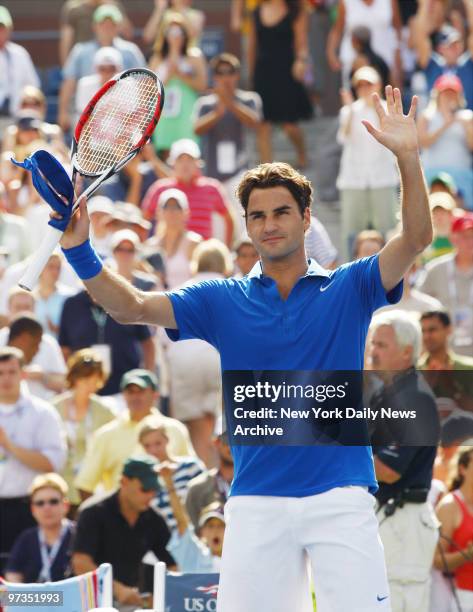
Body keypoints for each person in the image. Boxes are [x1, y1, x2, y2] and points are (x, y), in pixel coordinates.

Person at [56, 85, 432, 611]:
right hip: (256, 501)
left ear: (306, 217)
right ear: (247, 226)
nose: (269, 223)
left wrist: (408, 158)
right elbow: (134, 307)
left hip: (340, 495)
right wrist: (79, 252)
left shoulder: (351, 286)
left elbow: (415, 238)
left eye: (281, 212)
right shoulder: (219, 299)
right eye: (257, 216)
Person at [368, 310, 440, 612]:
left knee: (398, 602)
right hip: (390, 516)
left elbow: (388, 470)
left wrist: (335, 452)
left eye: (382, 345)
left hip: (405, 520)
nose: (373, 351)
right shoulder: (387, 395)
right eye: (373, 344)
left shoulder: (414, 398)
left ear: (407, 351)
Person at [72, 457, 175, 611]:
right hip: (88, 601)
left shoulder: (154, 519)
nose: (150, 496)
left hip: (130, 605)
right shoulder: (92, 512)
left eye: (154, 490)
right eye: (145, 489)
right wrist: (116, 589)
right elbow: (80, 563)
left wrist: (167, 596)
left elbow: (172, 566)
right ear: (124, 482)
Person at [75, 369, 194, 500]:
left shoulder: (176, 429)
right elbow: (85, 485)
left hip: (172, 513)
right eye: (130, 392)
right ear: (123, 395)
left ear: (155, 395)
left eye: (141, 391)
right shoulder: (105, 435)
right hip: (124, 517)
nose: (135, 397)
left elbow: (192, 474)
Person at [163, 239, 232, 465]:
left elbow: (163, 338)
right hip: (220, 358)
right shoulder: (235, 288)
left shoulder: (182, 290)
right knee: (223, 419)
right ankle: (222, 475)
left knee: (197, 425)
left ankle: (210, 474)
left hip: (185, 358)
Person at [0, 347, 66, 573]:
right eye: (0, 373)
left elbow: (52, 463)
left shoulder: (42, 413)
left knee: (23, 580)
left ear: (23, 374)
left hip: (28, 508)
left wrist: (10, 447)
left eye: (11, 372)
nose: (6, 378)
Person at [194, 52, 262, 236]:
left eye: (230, 72)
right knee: (217, 231)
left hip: (240, 173)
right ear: (214, 76)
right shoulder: (205, 104)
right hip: (213, 175)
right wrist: (217, 113)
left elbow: (255, 122)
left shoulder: (249, 99)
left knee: (241, 231)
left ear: (237, 75)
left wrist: (230, 103)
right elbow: (197, 129)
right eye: (220, 72)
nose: (225, 77)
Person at [336, 67, 399, 261]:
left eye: (368, 84)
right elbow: (343, 138)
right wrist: (351, 111)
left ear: (378, 85)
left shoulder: (388, 110)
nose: (364, 88)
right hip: (354, 180)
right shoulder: (348, 111)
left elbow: (391, 138)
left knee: (387, 231)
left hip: (382, 179)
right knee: (352, 232)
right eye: (360, 85)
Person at [58, 4, 146, 132]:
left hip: (123, 120)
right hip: (89, 120)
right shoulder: (80, 51)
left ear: (118, 26)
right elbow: (68, 82)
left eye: (112, 24)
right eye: (103, 24)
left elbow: (144, 83)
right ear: (95, 26)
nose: (107, 28)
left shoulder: (131, 51)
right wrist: (63, 112)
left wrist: (141, 115)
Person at [248, 0, 313, 167]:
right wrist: (251, 76)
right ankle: (266, 170)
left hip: (287, 71)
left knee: (289, 125)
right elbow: (252, 46)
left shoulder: (296, 10)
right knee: (263, 125)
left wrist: (301, 61)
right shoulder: (257, 11)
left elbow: (302, 43)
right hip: (263, 71)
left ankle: (302, 154)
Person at [58, 289, 155, 395]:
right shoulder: (72, 305)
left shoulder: (127, 300)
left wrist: (146, 375)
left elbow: (148, 342)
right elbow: (64, 348)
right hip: (86, 392)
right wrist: (73, 381)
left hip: (126, 389)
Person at [53, 349, 115, 510]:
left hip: (94, 490)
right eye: (85, 379)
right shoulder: (53, 409)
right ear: (74, 378)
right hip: (60, 488)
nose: (90, 386)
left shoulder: (106, 411)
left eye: (95, 381)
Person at [142, 139, 235, 245]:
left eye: (190, 159)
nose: (185, 164)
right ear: (173, 163)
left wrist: (227, 248)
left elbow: (229, 219)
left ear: (198, 163)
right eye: (180, 159)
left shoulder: (212, 188)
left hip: (202, 256)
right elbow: (144, 220)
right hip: (167, 255)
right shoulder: (160, 189)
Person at [148, 15, 207, 156]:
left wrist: (180, 74)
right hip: (165, 112)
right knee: (166, 150)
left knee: (189, 149)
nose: (175, 37)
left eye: (179, 32)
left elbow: (202, 85)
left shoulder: (195, 56)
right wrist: (168, 74)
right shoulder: (157, 58)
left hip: (187, 111)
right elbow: (149, 90)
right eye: (171, 32)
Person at [417, 213, 473, 357]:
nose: (470, 242)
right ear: (453, 238)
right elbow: (419, 303)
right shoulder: (435, 269)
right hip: (444, 354)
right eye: (465, 236)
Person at [4, 473, 75, 583]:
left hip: (72, 597)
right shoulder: (27, 537)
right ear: (33, 509)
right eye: (40, 503)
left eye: (53, 501)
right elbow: (12, 572)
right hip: (34, 598)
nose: (47, 507)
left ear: (65, 505)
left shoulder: (79, 534)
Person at [417, 74, 473, 211]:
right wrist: (446, 124)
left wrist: (467, 128)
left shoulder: (467, 116)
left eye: (452, 93)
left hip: (461, 175)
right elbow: (423, 143)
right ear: (437, 95)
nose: (449, 97)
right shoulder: (426, 116)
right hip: (432, 174)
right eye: (445, 93)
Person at [138, 419, 204, 532]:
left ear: (167, 440)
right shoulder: (143, 478)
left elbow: (205, 500)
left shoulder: (190, 466)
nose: (153, 450)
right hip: (162, 541)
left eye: (158, 443)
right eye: (147, 446)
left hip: (194, 534)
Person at [411, 0, 473, 110]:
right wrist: (425, 4)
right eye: (450, 45)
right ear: (441, 48)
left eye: (457, 44)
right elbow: (420, 38)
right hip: (437, 122)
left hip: (465, 123)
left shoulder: (468, 64)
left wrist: (469, 4)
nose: (455, 48)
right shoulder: (434, 65)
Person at [326, 0, 402, 87]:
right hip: (353, 61)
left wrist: (398, 56)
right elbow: (337, 29)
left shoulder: (390, 1)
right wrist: (331, 54)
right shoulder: (345, 2)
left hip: (385, 61)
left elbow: (397, 28)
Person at [433, 445, 473, 612]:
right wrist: (467, 555)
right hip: (462, 598)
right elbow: (437, 561)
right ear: (462, 469)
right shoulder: (450, 505)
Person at [144, 188, 202, 289]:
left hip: (185, 302)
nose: (172, 211)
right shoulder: (150, 245)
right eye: (166, 207)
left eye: (177, 207)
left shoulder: (195, 243)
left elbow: (201, 280)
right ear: (159, 213)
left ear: (186, 212)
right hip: (156, 303)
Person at [418, 310, 473, 414]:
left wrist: (451, 387)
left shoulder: (469, 368)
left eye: (432, 330)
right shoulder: (412, 371)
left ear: (448, 330)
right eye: (423, 331)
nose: (426, 336)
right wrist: (426, 385)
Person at [185, 424, 234, 530]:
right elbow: (196, 533)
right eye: (227, 440)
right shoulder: (196, 489)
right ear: (216, 442)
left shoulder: (259, 485)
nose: (233, 445)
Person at [0, 5, 40, 133]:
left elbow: (33, 86)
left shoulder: (20, 53)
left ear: (9, 29)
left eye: (2, 28)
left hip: (17, 120)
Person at [34, 253, 76, 339]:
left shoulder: (70, 296)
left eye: (58, 268)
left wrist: (61, 330)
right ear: (39, 268)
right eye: (51, 267)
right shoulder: (28, 297)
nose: (55, 271)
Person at [422, 192, 456, 263]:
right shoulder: (424, 242)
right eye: (435, 212)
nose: (439, 217)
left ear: (450, 214)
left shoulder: (461, 239)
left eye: (442, 212)